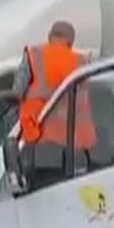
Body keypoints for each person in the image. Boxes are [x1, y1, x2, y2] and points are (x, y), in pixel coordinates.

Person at [15, 21, 97, 154]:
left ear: (50, 36)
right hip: (76, 142)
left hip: (38, 137)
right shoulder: (81, 62)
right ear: (70, 41)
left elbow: (18, 90)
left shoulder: (34, 54)